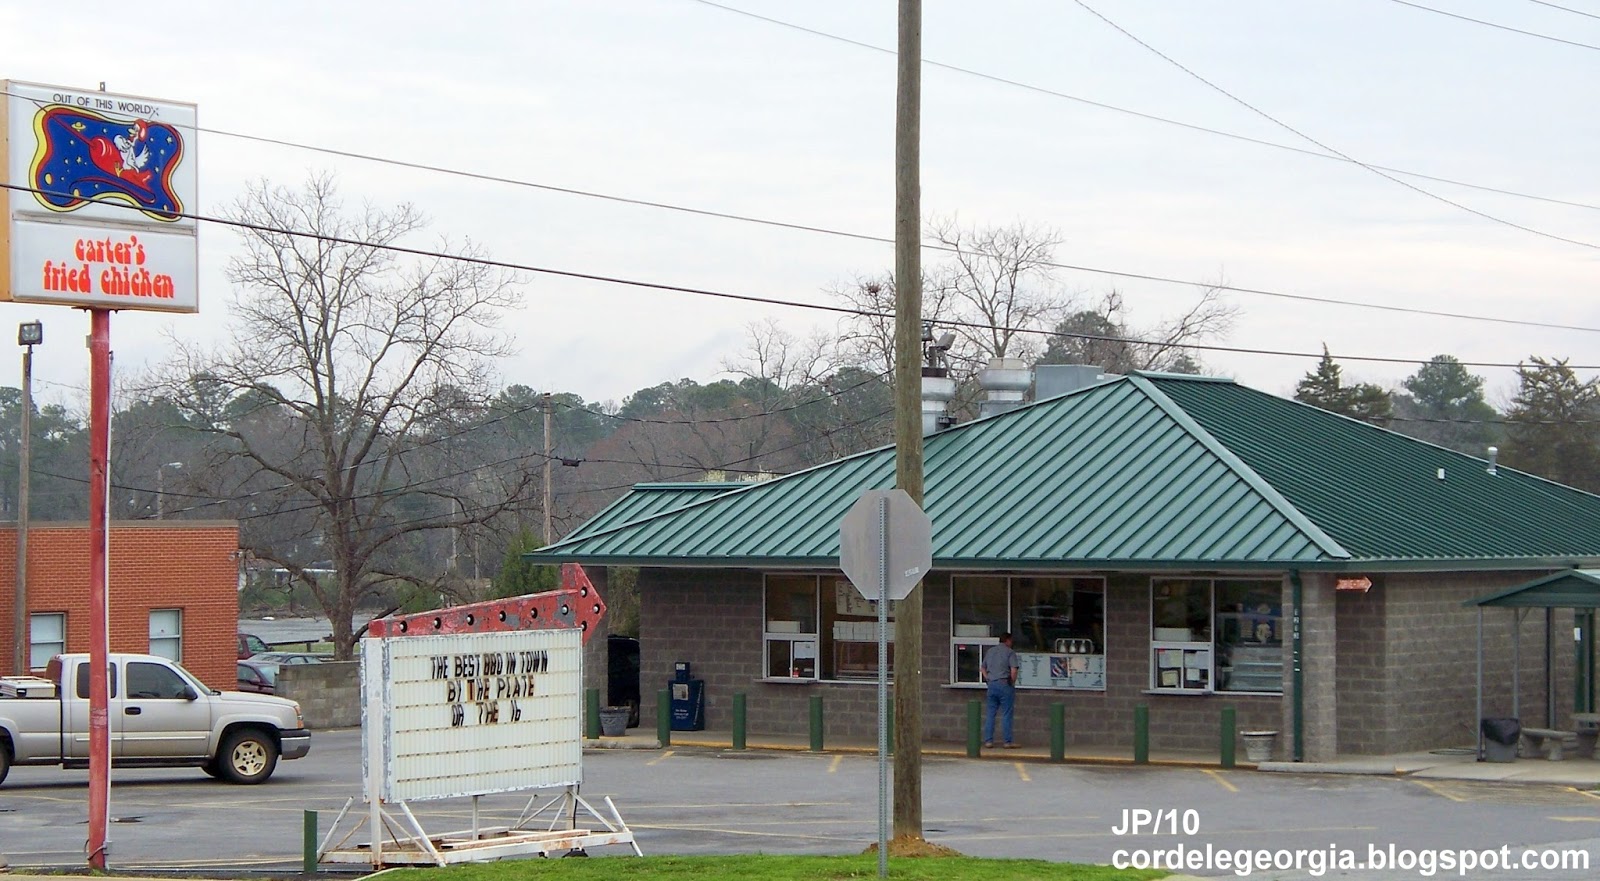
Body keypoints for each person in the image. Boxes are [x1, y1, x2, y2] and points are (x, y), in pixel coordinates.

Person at [981, 632, 1020, 748]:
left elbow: (982, 668)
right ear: (1007, 640)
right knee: (1007, 714)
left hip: (992, 685)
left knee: (990, 714)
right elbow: (1013, 670)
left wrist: (988, 679)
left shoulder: (990, 651)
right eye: (1011, 641)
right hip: (1004, 684)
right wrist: (1012, 682)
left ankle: (988, 741)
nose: (1011, 643)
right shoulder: (1010, 652)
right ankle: (1007, 742)